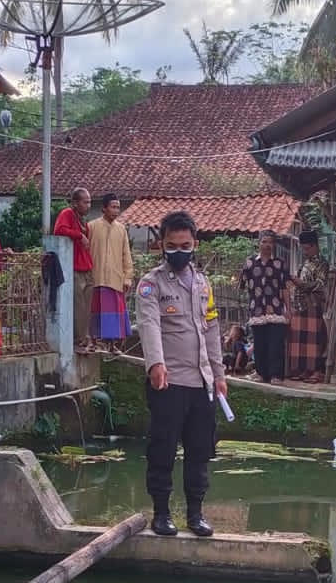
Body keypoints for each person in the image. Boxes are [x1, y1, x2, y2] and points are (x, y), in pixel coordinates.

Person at [135, 210, 227, 538]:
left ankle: (195, 513)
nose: (178, 251)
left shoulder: (203, 285)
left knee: (199, 451)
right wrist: (155, 364)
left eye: (185, 245)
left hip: (201, 383)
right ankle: (161, 513)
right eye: (172, 246)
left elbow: (212, 328)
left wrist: (219, 374)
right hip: (169, 383)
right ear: (162, 245)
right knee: (162, 449)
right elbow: (149, 325)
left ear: (195, 244)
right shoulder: (151, 284)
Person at [239, 230, 292, 383]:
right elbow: (243, 285)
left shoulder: (279, 264)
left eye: (270, 242)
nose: (267, 245)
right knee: (260, 343)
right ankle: (261, 373)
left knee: (275, 343)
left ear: (273, 244)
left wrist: (289, 309)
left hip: (276, 309)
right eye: (264, 242)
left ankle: (276, 375)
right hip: (257, 309)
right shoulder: (249, 263)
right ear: (259, 243)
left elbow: (285, 288)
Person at [88, 192, 134, 347]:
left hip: (115, 279)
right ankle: (93, 342)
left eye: (118, 208)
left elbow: (126, 255)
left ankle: (113, 345)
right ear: (104, 209)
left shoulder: (121, 230)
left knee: (114, 316)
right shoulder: (91, 227)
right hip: (96, 277)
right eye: (113, 207)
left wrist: (127, 277)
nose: (116, 211)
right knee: (94, 312)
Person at [52, 187, 94, 350]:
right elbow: (59, 230)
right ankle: (79, 340)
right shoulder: (67, 214)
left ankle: (85, 338)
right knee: (78, 305)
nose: (89, 205)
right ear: (75, 203)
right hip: (75, 268)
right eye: (85, 202)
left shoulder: (83, 220)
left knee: (87, 307)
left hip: (87, 267)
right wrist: (79, 235)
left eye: (90, 202)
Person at [287, 230, 331, 383]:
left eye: (306, 248)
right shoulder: (305, 262)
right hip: (299, 305)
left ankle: (316, 371)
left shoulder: (322, 263)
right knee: (301, 340)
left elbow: (320, 285)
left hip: (313, 303)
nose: (304, 251)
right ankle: (304, 369)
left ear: (314, 246)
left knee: (314, 340)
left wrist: (301, 284)